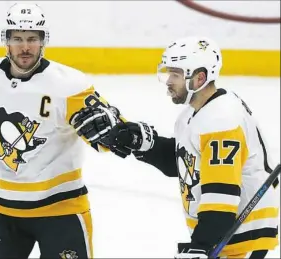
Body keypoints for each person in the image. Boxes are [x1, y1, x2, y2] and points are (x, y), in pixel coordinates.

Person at [71, 36, 280, 258]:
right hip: (223, 233)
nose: (169, 80)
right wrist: (144, 144)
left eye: (176, 74)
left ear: (200, 78)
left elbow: (221, 193)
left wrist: (202, 244)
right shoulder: (194, 113)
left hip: (240, 236)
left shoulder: (222, 120)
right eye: (168, 73)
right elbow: (185, 164)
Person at [0, 3, 125, 258]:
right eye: (17, 39)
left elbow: (113, 135)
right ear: (6, 41)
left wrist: (116, 134)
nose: (25, 47)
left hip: (60, 211)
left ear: (43, 42)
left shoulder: (69, 85)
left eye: (32, 38)